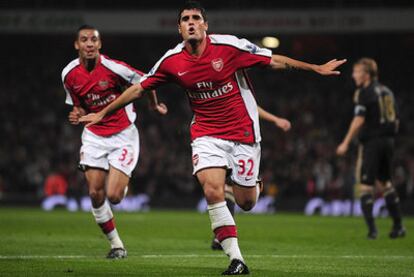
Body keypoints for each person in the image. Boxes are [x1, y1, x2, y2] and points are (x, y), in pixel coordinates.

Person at [80, 1, 345, 274]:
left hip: (243, 131)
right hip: (206, 133)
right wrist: (102, 113)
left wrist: (314, 68)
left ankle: (252, 185)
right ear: (179, 27)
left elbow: (274, 60)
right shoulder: (172, 61)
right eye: (186, 19)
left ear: (205, 25)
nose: (191, 22)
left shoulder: (229, 47)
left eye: (196, 18)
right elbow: (139, 89)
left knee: (247, 202)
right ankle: (236, 259)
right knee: (212, 190)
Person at [61, 24, 167, 259]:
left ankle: (122, 182)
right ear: (77, 45)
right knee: (95, 193)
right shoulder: (68, 74)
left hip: (123, 136)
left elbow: (145, 80)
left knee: (115, 196)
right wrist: (76, 113)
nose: (89, 44)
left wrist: (152, 104)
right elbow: (79, 105)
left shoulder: (114, 68)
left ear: (100, 44)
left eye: (94, 40)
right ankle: (116, 245)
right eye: (84, 40)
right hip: (94, 136)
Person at [336, 58, 405, 239]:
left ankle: (372, 230)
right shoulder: (387, 91)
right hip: (389, 141)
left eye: (356, 72)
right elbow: (396, 120)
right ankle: (398, 226)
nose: (353, 75)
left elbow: (359, 119)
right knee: (386, 183)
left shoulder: (364, 92)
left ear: (366, 75)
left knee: (366, 185)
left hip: (372, 142)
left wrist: (345, 142)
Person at [211, 106, 291, 250]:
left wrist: (275, 119)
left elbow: (250, 105)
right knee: (219, 186)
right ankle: (221, 237)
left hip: (242, 141)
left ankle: (254, 184)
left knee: (245, 201)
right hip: (220, 139)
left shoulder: (235, 89)